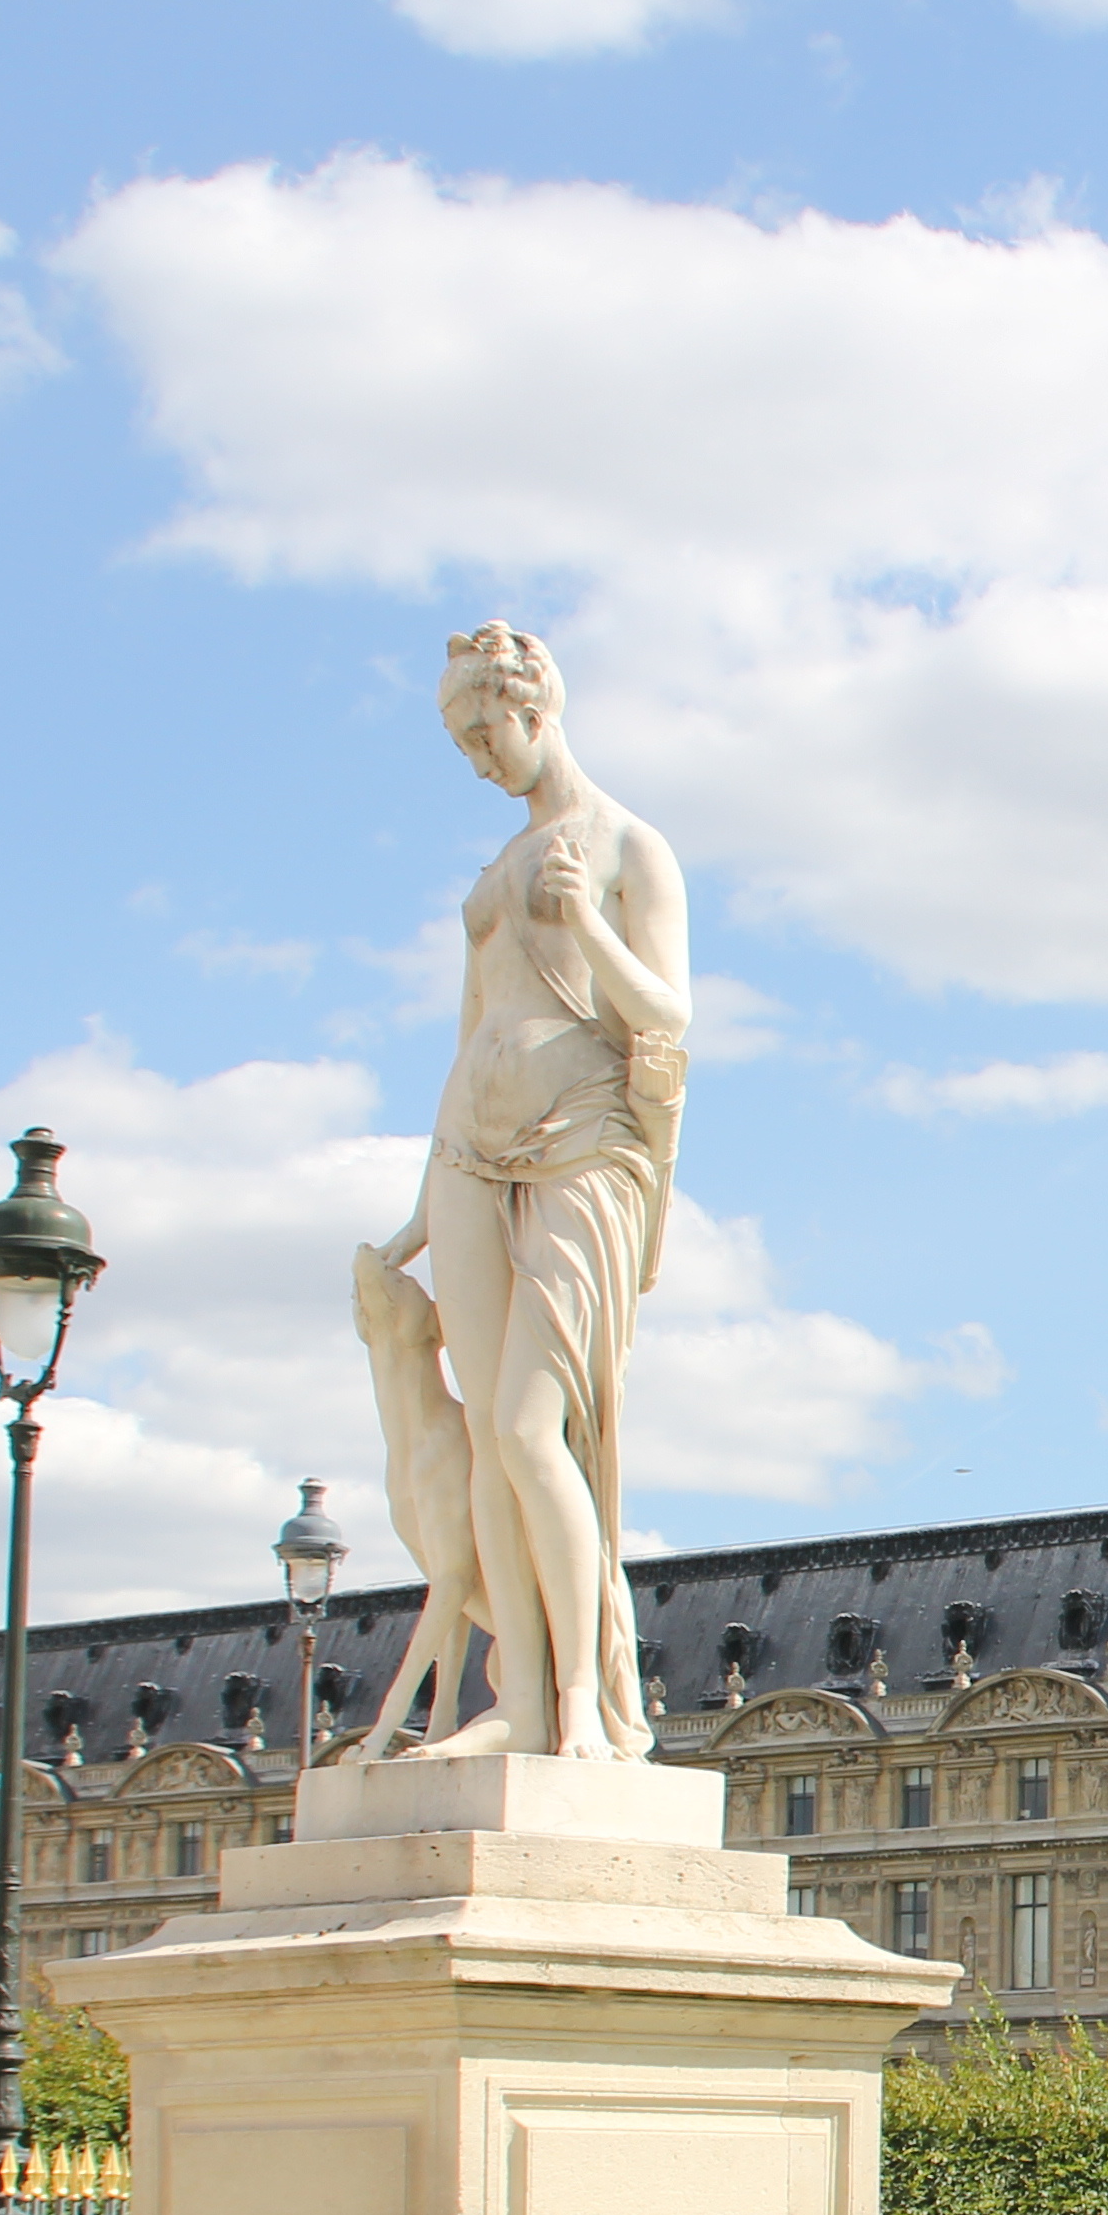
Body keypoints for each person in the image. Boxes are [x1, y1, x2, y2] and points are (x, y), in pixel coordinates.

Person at [367, 622, 688, 1759]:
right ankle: (519, 1708)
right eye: (462, 743)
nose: (477, 760)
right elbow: (468, 1033)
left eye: (483, 734)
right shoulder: (491, 872)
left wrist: (587, 920)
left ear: (534, 707)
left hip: (581, 1144)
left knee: (525, 1424)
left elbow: (668, 1014)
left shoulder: (630, 844)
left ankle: (584, 1703)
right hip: (470, 1151)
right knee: (491, 1443)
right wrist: (419, 1208)